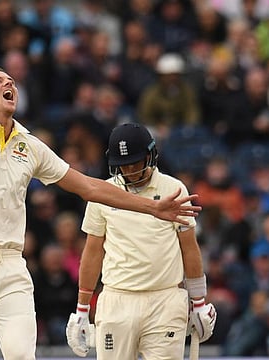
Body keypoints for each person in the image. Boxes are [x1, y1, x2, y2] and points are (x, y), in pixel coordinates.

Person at [0, 28, 201, 360]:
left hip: (11, 265)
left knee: (23, 357)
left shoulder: (28, 145)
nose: (9, 84)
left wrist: (152, 207)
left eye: (11, 81)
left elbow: (89, 187)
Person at [66, 123, 217, 359]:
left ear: (151, 155)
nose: (130, 171)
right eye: (123, 166)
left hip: (165, 301)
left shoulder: (174, 189)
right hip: (117, 299)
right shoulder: (102, 194)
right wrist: (82, 309)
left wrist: (198, 301)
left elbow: (189, 248)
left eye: (135, 163)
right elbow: (93, 252)